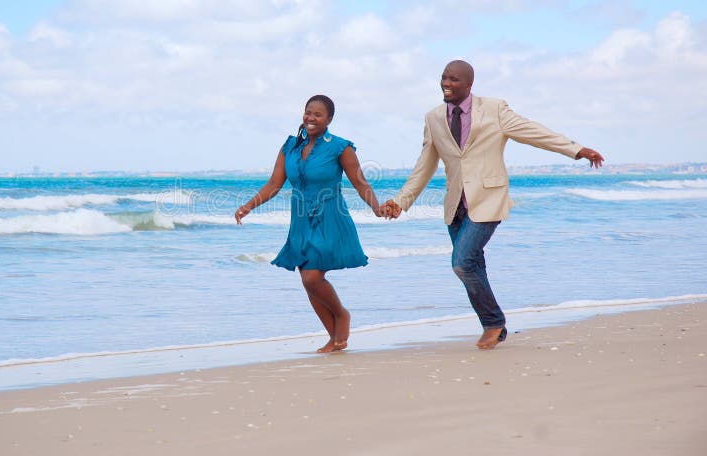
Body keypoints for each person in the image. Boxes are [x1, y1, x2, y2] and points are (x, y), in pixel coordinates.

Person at [381, 60, 604, 350]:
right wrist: (402, 201)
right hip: (455, 205)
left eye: (454, 79)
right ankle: (493, 326)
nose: (446, 83)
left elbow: (532, 131)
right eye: (444, 78)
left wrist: (575, 150)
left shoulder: (495, 109)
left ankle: (494, 322)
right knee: (474, 265)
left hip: (488, 198)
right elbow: (424, 165)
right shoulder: (434, 118)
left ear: (469, 84)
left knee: (462, 263)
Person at [235, 95, 383, 353]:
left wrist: (377, 207)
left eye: (318, 115)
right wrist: (248, 206)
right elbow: (274, 184)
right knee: (307, 279)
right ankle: (334, 336)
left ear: (329, 120)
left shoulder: (340, 147)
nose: (311, 118)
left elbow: (360, 183)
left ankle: (342, 315)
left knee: (313, 277)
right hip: (300, 220)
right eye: (308, 112)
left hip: (330, 217)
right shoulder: (289, 146)